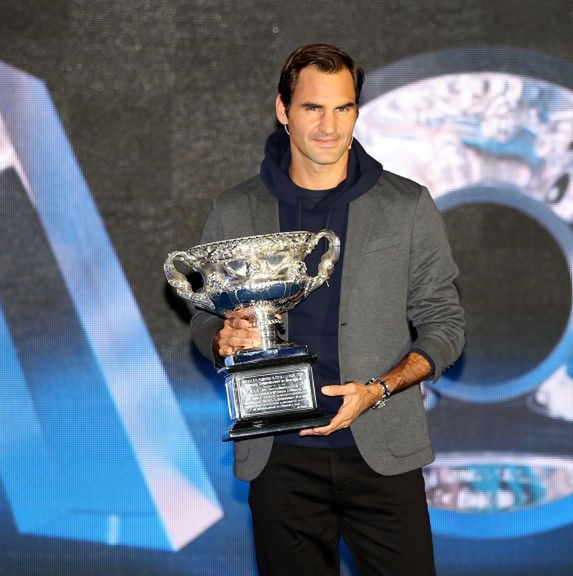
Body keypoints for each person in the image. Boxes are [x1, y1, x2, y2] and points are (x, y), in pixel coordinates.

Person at [189, 43, 465, 575]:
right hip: (280, 456)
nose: (329, 125)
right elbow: (205, 317)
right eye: (313, 107)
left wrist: (378, 389)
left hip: (381, 448)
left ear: (357, 111)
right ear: (282, 111)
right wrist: (218, 339)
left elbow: (446, 325)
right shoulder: (236, 209)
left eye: (343, 108)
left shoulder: (407, 206)